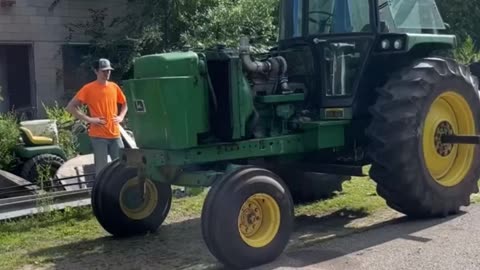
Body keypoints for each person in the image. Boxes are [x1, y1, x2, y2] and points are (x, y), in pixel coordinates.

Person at [66, 58, 128, 179]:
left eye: (109, 70)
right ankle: (103, 192)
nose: (107, 73)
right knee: (102, 170)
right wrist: (89, 119)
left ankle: (120, 191)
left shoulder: (114, 87)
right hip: (98, 136)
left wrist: (121, 116)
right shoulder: (88, 88)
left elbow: (125, 103)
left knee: (122, 166)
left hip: (115, 134)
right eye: (104, 71)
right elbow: (70, 107)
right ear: (96, 71)